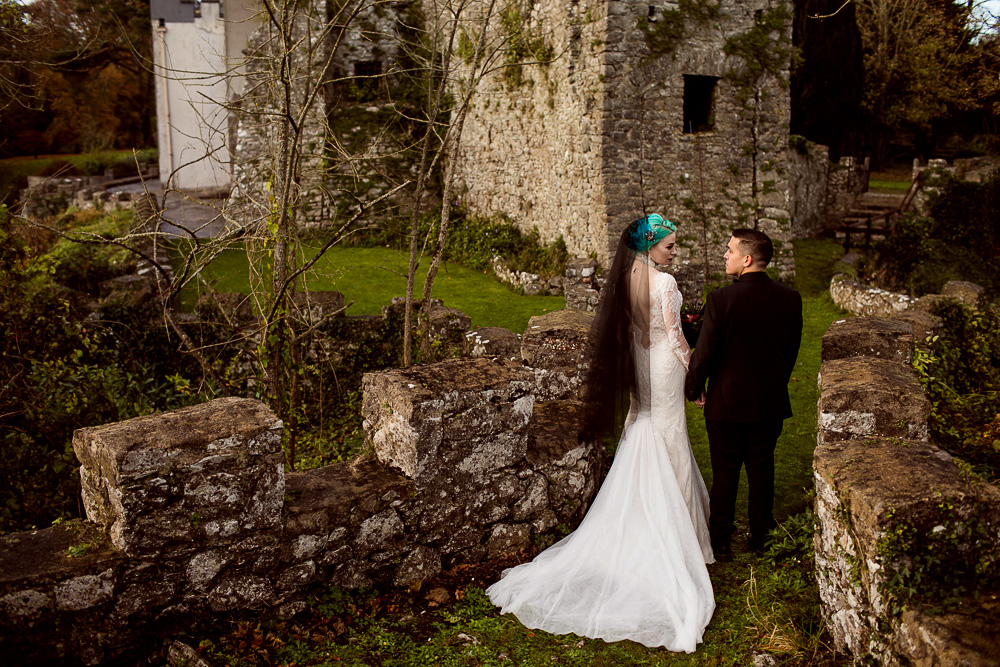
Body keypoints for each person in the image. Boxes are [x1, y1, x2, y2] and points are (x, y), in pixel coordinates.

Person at [487, 214, 715, 652]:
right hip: (664, 365)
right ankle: (681, 537)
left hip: (639, 363)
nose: (674, 252)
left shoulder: (625, 278)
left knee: (644, 425)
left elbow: (632, 332)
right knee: (669, 434)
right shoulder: (665, 283)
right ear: (651, 246)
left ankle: (641, 516)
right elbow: (675, 339)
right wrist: (695, 378)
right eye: (669, 245)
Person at [684, 229, 802, 562]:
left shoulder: (720, 299)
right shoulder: (790, 298)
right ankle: (762, 536)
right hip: (769, 400)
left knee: (725, 471)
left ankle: (721, 542)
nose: (726, 255)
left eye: (730, 250)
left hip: (726, 401)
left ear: (747, 259)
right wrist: (775, 383)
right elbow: (790, 351)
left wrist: (693, 388)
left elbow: (705, 352)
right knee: (762, 469)